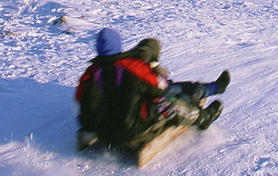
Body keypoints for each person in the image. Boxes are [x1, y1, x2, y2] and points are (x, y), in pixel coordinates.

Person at [74, 28, 229, 151]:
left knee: (161, 93)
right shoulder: (131, 67)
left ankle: (213, 88)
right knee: (170, 103)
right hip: (129, 128)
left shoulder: (89, 74)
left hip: (99, 129)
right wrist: (155, 72)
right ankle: (203, 117)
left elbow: (80, 100)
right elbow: (162, 88)